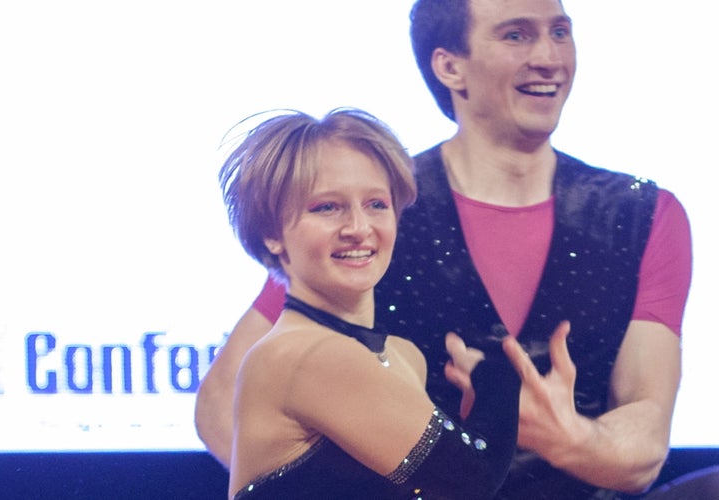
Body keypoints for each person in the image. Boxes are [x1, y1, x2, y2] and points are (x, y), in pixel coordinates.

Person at [196, 1, 692, 498]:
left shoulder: (643, 215)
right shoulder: (371, 207)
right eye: (516, 35)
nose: (548, 56)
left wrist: (570, 436)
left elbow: (645, 443)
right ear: (449, 65)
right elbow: (223, 403)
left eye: (560, 32)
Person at [218, 107, 521, 499]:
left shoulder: (402, 355)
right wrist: (499, 373)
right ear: (272, 232)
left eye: (376, 204)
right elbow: (468, 477)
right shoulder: (303, 354)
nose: (359, 229)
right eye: (327, 207)